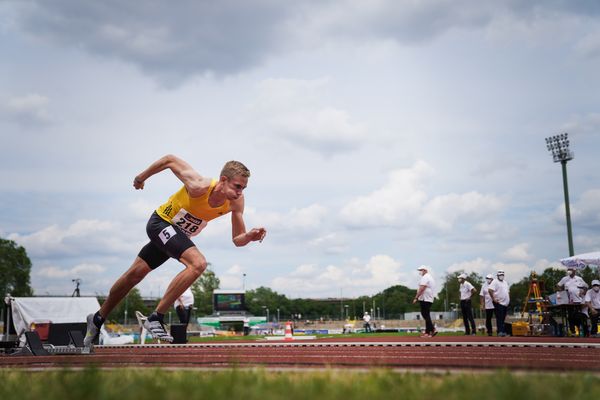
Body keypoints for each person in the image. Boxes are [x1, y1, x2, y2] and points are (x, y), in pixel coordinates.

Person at [84, 155, 267, 347]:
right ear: (223, 180)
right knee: (198, 263)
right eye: (237, 186)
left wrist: (249, 236)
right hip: (160, 223)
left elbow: (238, 239)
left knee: (134, 275)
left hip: (177, 235)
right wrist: (141, 177)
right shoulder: (199, 185)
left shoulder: (236, 202)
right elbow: (170, 160)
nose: (240, 192)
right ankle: (156, 317)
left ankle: (97, 319)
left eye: (243, 188)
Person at [557, 267, 587, 335]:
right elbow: (558, 285)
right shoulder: (565, 278)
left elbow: (586, 286)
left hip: (578, 302)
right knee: (570, 317)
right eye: (568, 270)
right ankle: (572, 331)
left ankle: (581, 330)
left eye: (570, 269)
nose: (569, 271)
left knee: (579, 316)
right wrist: (562, 292)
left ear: (574, 270)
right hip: (569, 302)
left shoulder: (579, 278)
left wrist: (583, 292)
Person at [412, 265, 437, 338]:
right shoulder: (430, 277)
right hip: (428, 298)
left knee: (425, 314)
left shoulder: (425, 277)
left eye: (421, 270)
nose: (420, 272)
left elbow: (422, 288)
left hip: (425, 298)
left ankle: (432, 329)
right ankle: (427, 332)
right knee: (426, 314)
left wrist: (416, 297)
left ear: (425, 270)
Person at [488, 270, 510, 337]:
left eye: (502, 275)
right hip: (499, 302)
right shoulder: (495, 281)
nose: (501, 276)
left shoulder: (505, 282)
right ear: (497, 276)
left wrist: (509, 299)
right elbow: (490, 290)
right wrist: (493, 299)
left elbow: (508, 292)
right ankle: (500, 331)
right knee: (499, 317)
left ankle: (502, 331)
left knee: (503, 318)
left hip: (505, 303)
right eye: (500, 275)